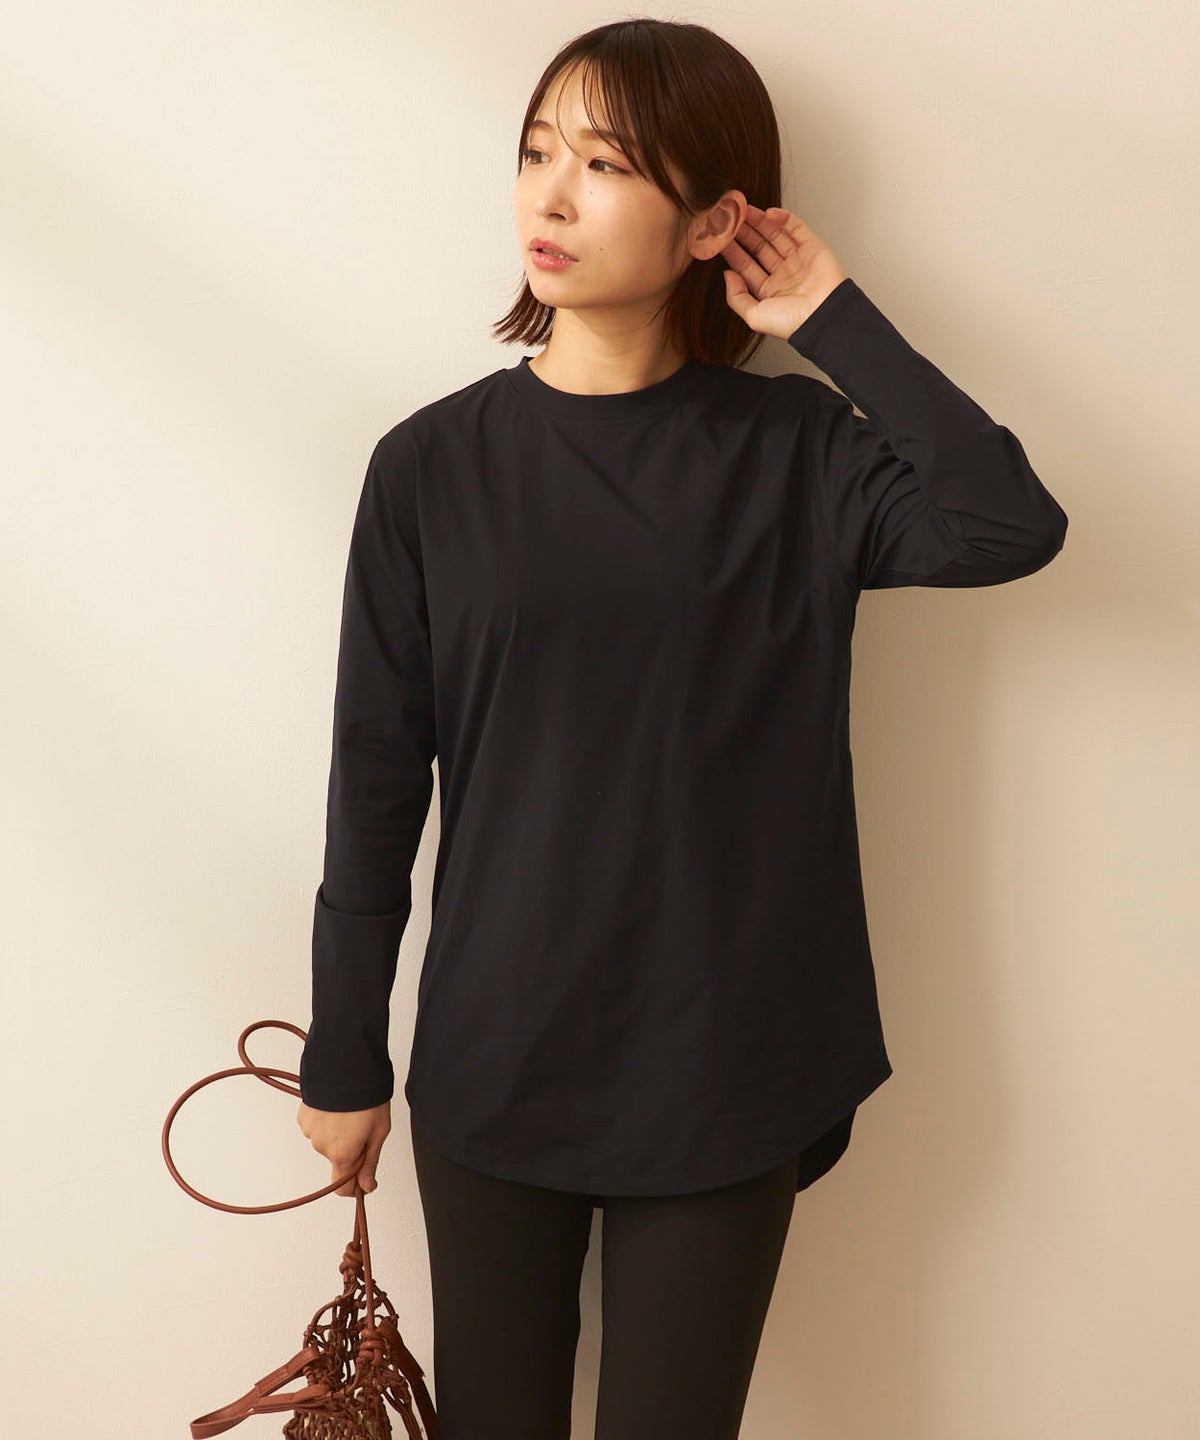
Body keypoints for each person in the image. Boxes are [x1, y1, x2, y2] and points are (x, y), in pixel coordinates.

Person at [295, 17, 1068, 1440]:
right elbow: (374, 779)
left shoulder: (800, 456)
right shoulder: (430, 467)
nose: (550, 195)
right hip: (496, 1050)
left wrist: (831, 317)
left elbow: (1007, 525)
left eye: (604, 165)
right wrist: (344, 1050)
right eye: (536, 152)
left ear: (714, 219)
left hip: (727, 1059)